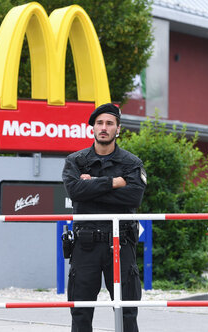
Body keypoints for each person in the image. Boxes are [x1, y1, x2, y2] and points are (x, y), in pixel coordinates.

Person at [62, 103, 146, 332]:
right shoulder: (75, 161)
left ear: (118, 129)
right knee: (80, 309)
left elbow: (133, 197)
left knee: (127, 309)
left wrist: (91, 186)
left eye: (109, 123)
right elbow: (75, 192)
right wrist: (113, 183)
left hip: (121, 243)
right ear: (93, 128)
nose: (104, 128)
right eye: (99, 123)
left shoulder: (131, 163)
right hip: (85, 244)